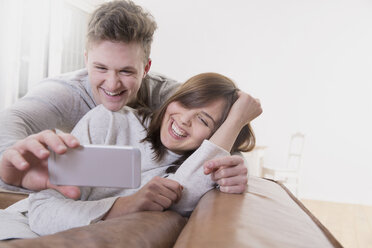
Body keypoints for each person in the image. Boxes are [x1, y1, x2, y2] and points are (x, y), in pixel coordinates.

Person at [0, 0, 251, 200]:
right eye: (100, 68)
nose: (112, 84)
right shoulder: (63, 93)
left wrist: (237, 163)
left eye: (126, 71)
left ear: (146, 67)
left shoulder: (170, 97)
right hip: (70, 189)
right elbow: (9, 124)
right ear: (86, 59)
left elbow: (220, 131)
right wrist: (13, 163)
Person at [0, 72, 262, 239]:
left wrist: (236, 120)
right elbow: (43, 212)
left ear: (217, 134)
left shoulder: (197, 169)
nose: (183, 120)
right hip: (19, 228)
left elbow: (185, 195)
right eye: (185, 103)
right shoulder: (112, 121)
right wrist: (121, 207)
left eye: (203, 120)